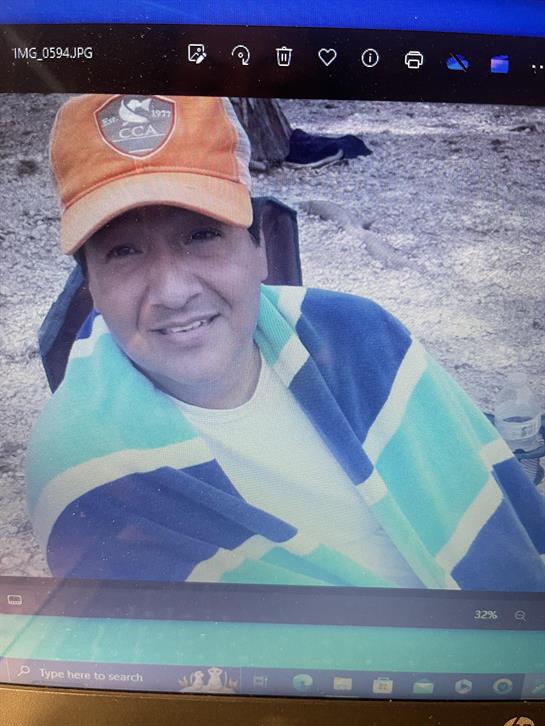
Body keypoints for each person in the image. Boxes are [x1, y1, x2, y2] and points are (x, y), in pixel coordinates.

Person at [26, 94, 545, 590]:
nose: (173, 291)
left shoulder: (361, 338)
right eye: (123, 251)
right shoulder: (89, 476)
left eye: (202, 235)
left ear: (260, 248)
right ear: (90, 285)